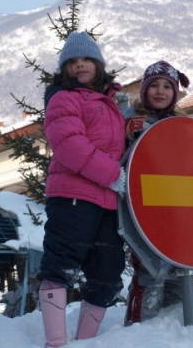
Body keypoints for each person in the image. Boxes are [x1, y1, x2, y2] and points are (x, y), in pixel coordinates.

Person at [37, 31, 127, 347]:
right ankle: (56, 342)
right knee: (60, 264)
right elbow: (69, 146)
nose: (79, 65)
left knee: (107, 272)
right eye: (72, 61)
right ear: (65, 69)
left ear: (98, 64)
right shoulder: (64, 98)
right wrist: (114, 175)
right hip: (73, 196)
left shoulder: (112, 103)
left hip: (108, 201)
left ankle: (86, 341)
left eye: (86, 59)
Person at [120, 60, 190, 326]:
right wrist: (127, 135)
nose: (160, 92)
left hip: (176, 210)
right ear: (145, 89)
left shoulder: (182, 125)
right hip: (143, 210)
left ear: (175, 92)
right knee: (149, 269)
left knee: (178, 271)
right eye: (154, 86)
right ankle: (140, 331)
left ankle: (175, 333)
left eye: (167, 87)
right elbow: (117, 160)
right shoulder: (128, 120)